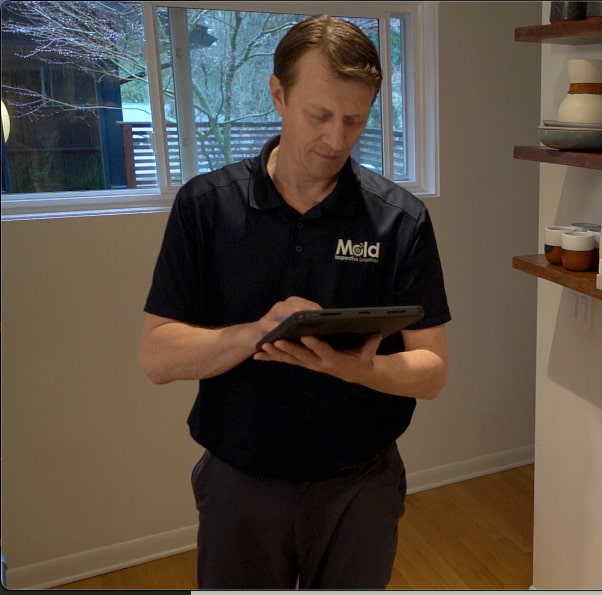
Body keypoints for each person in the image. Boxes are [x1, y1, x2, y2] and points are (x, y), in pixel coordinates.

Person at [138, 15, 451, 590]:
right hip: (240, 486)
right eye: (320, 115)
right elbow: (158, 357)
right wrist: (258, 331)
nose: (337, 139)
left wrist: (362, 370)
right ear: (278, 94)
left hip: (362, 487)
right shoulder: (207, 207)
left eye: (355, 120)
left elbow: (431, 372)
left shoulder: (399, 219)